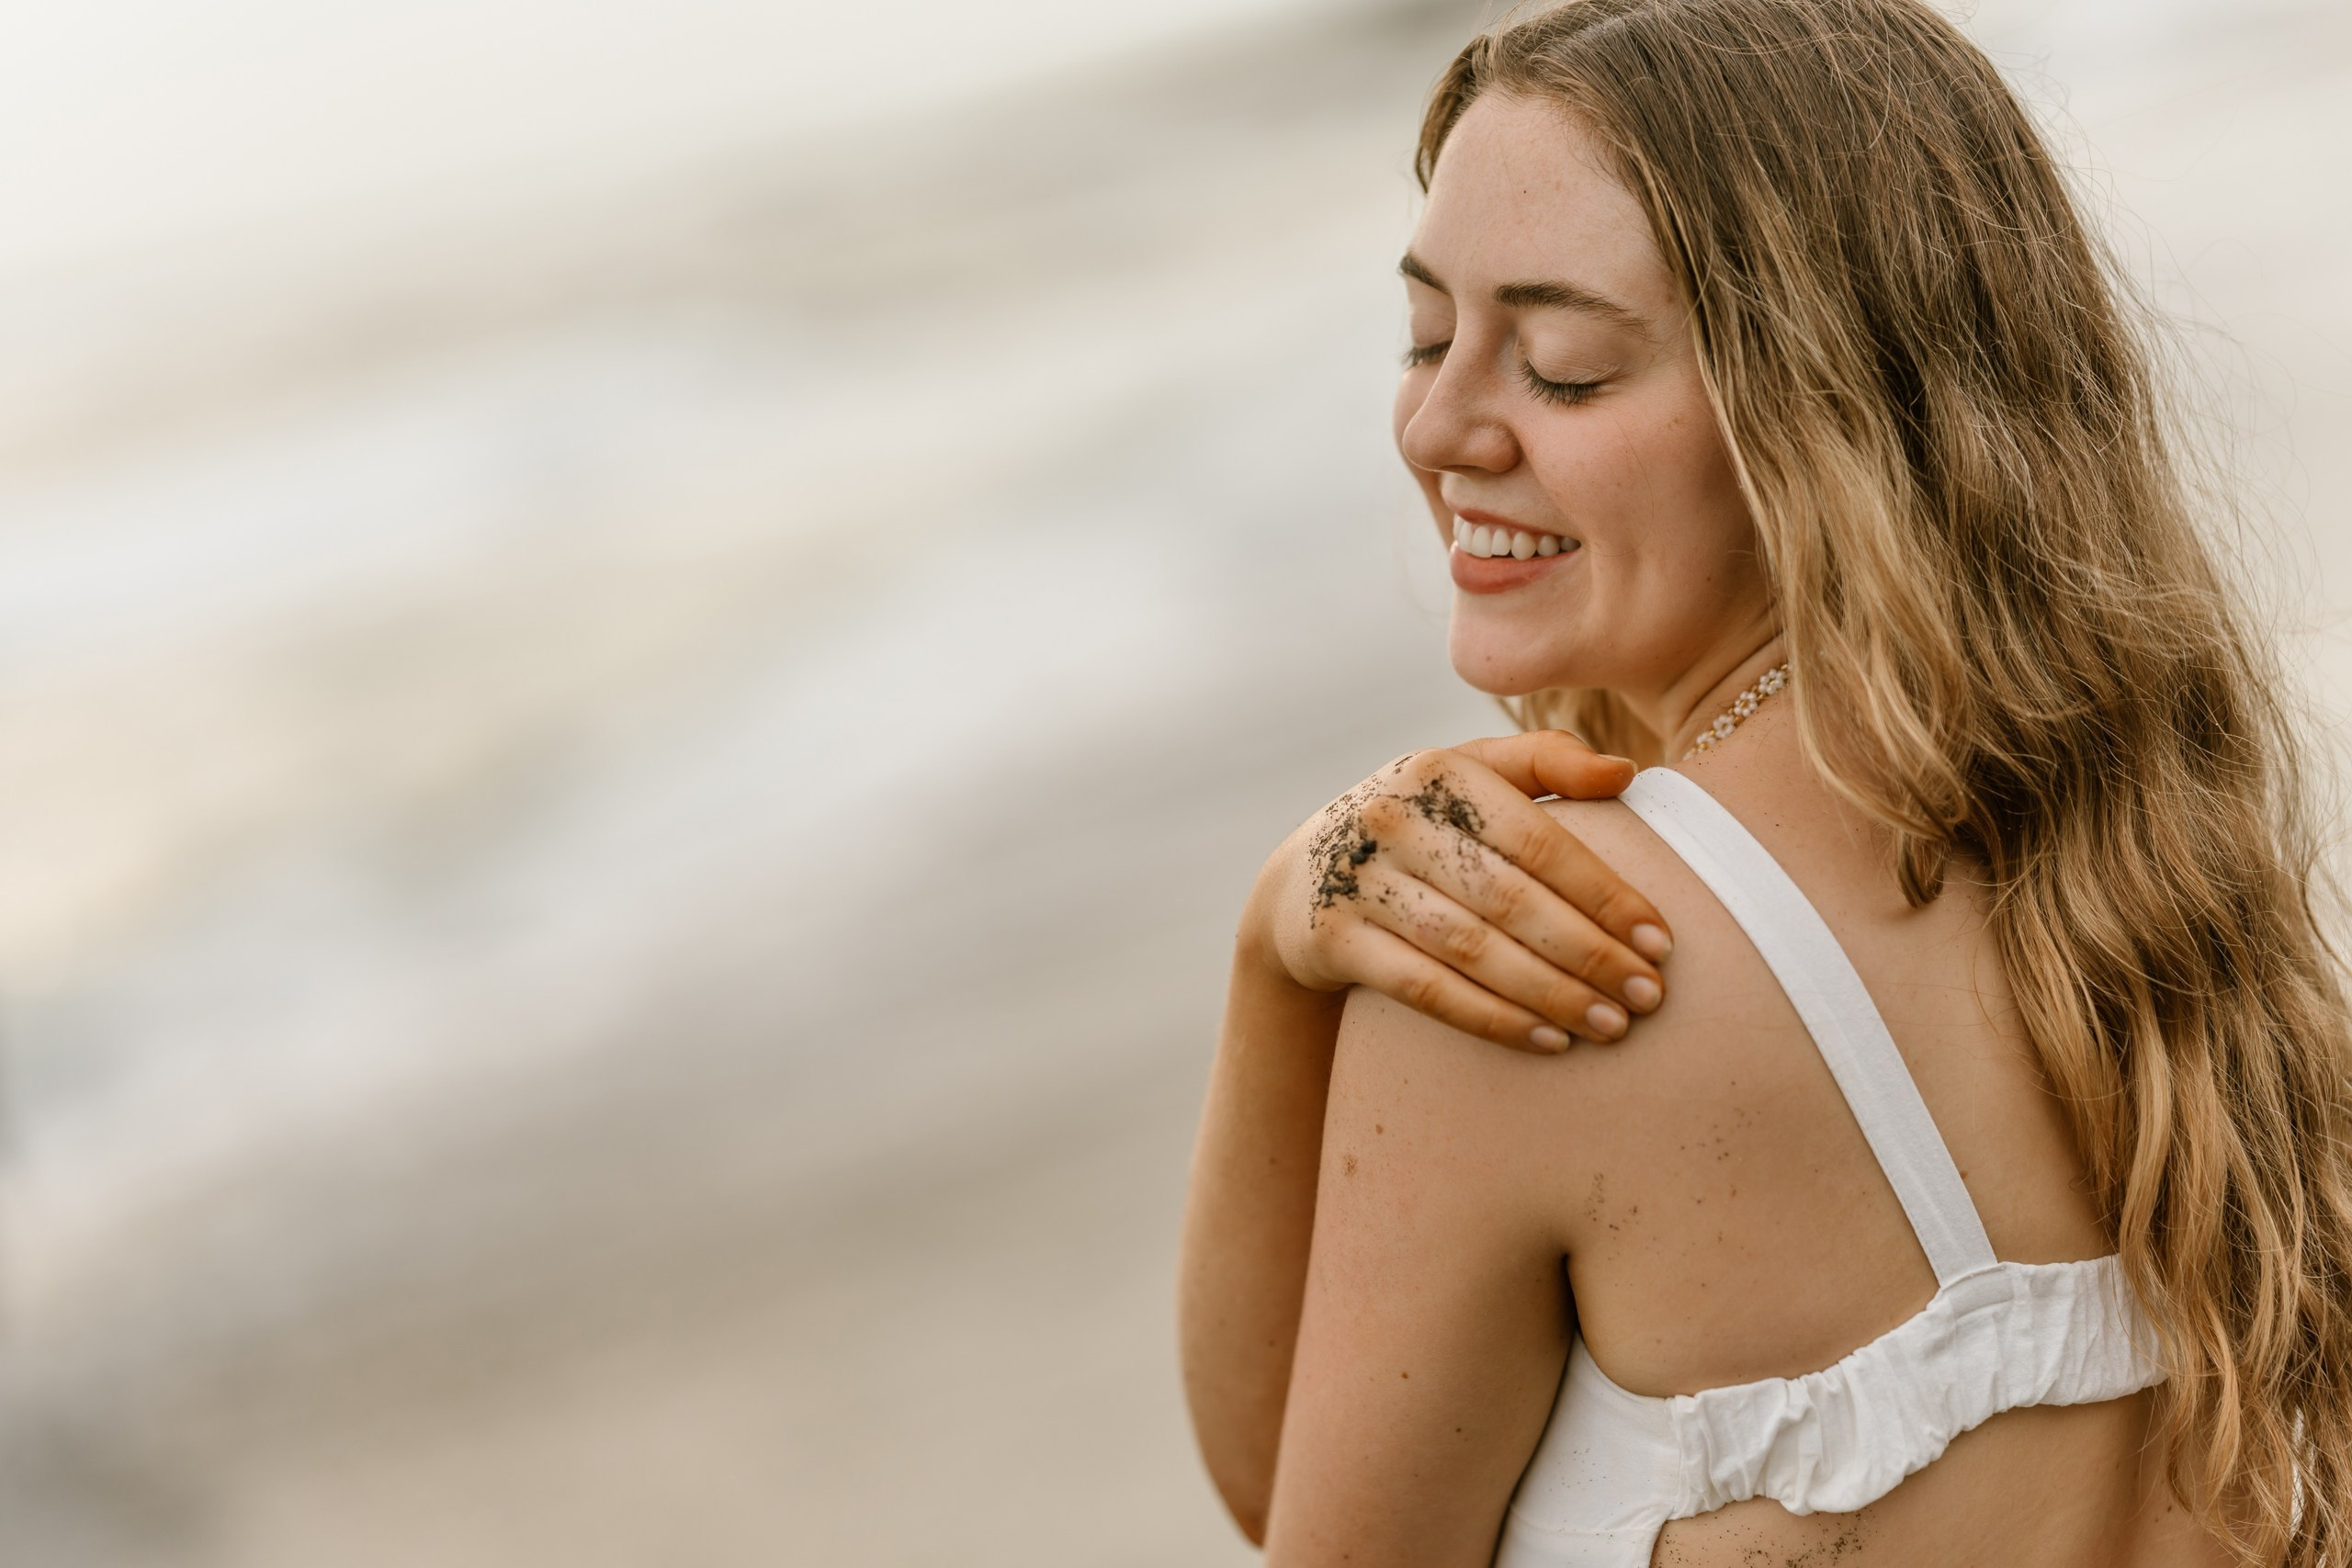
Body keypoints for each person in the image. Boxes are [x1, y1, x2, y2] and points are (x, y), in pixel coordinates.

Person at [1176, 2, 2352, 1563]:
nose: (1438, 422)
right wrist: (1281, 946)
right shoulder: (2161, 903)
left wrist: (1296, 961)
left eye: (1565, 369)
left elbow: (1300, 1517)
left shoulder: (1548, 959)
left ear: (1827, 413)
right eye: (1423, 335)